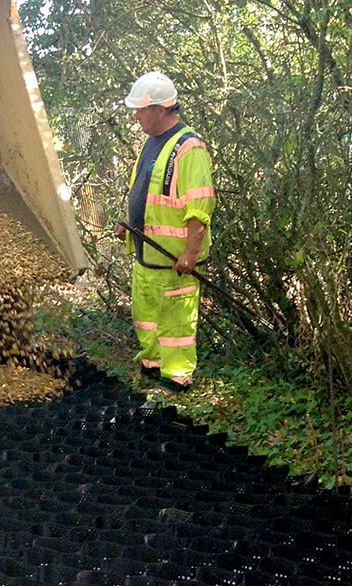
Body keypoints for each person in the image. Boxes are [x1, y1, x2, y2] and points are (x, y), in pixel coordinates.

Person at [112, 71, 215, 393]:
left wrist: (191, 252)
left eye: (141, 109)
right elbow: (147, 194)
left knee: (175, 321)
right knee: (146, 315)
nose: (136, 116)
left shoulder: (189, 147)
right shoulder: (153, 143)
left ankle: (176, 377)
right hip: (148, 253)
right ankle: (152, 364)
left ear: (161, 109)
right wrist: (128, 223)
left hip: (175, 259)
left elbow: (200, 206)